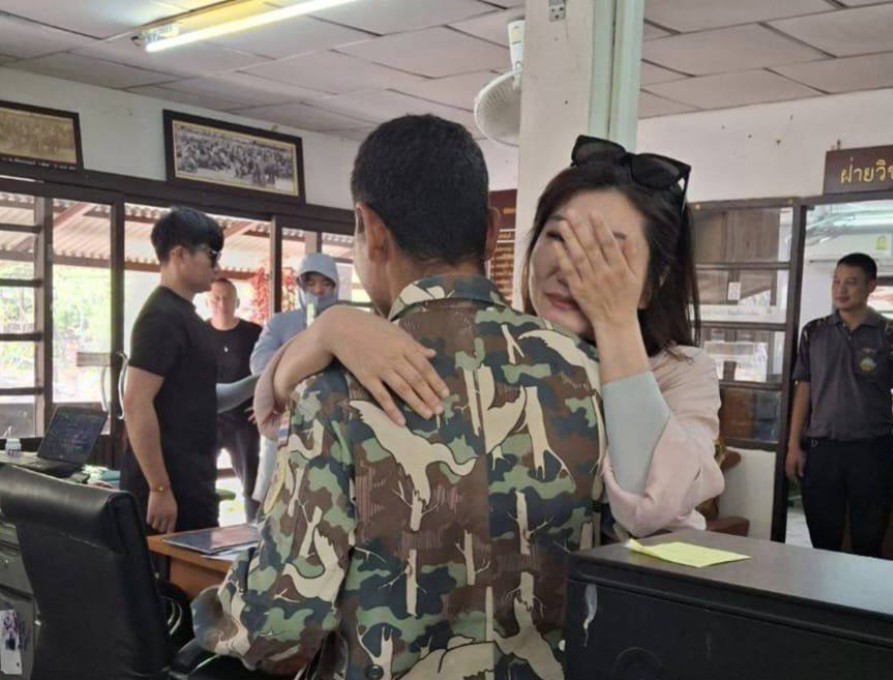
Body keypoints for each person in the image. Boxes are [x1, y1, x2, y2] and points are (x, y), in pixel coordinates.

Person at [192, 114, 604, 680]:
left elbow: (279, 631)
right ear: (491, 232)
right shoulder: (586, 370)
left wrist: (210, 613)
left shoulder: (336, 392)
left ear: (371, 229)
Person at [257, 135, 725, 540]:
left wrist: (616, 321)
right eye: (559, 238)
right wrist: (330, 330)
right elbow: (269, 405)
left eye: (604, 254)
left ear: (653, 282)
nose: (569, 267)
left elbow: (652, 507)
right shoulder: (497, 346)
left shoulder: (680, 375)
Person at [786, 252, 893, 557]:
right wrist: (794, 445)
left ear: (871, 286)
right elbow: (803, 389)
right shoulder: (814, 331)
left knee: (869, 540)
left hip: (871, 451)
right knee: (822, 541)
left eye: (851, 282)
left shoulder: (892, 334)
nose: (841, 289)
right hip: (823, 449)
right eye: (836, 282)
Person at [121, 207, 223, 534]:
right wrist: (159, 487)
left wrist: (263, 381)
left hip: (192, 481)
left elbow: (201, 396)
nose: (217, 267)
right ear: (180, 254)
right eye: (211, 255)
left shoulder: (187, 317)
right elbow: (136, 403)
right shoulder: (161, 317)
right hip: (169, 490)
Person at [248, 252, 339, 506]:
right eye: (311, 283)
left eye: (326, 283)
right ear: (300, 285)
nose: (318, 290)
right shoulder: (280, 323)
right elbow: (259, 363)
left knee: (325, 496)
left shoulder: (343, 322)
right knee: (277, 497)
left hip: (330, 419)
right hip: (285, 418)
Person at [206, 278, 262, 522]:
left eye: (227, 298)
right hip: (209, 419)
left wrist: (263, 405)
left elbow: (268, 372)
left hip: (244, 420)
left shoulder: (254, 334)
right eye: (216, 298)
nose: (222, 304)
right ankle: (206, 531)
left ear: (237, 302)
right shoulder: (198, 334)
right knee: (203, 482)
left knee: (252, 483)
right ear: (208, 303)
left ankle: (255, 532)